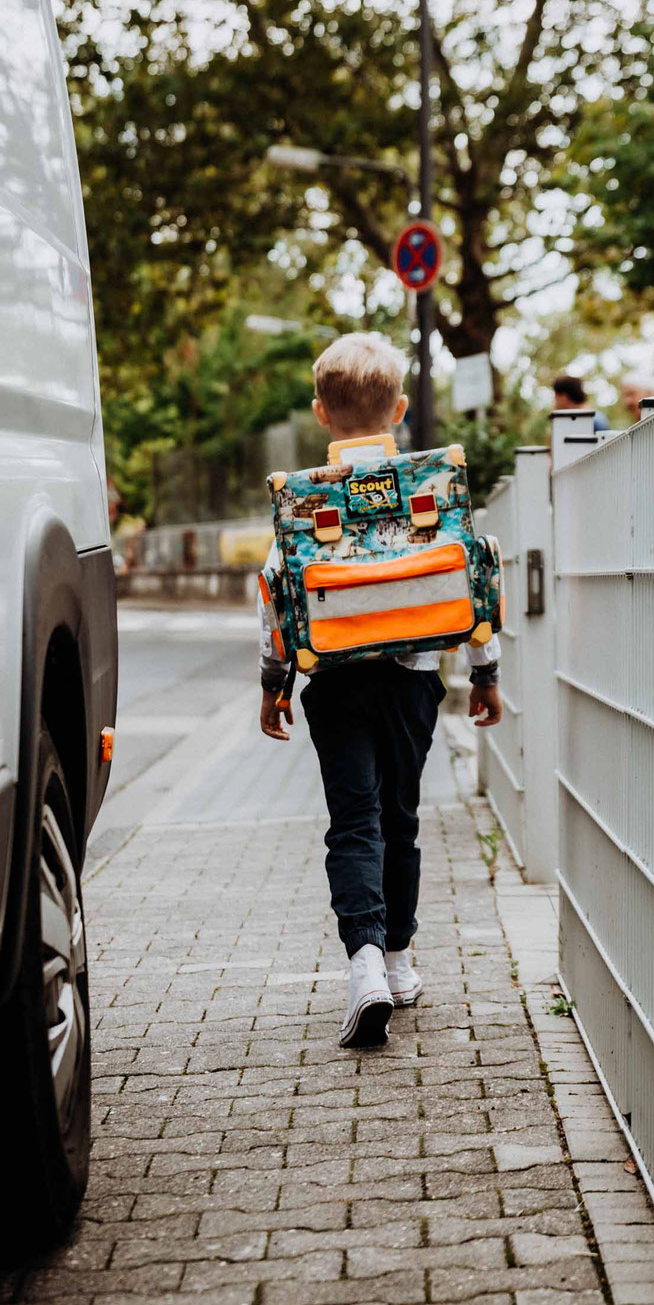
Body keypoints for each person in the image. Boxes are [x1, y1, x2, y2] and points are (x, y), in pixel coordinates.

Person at [259, 334, 503, 1049]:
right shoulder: (430, 485)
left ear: (320, 413)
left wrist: (274, 684)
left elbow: (277, 592)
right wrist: (484, 670)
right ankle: (399, 959)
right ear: (398, 408)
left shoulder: (306, 499)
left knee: (353, 821)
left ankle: (362, 960)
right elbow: (471, 573)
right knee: (401, 818)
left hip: (333, 680)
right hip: (414, 681)